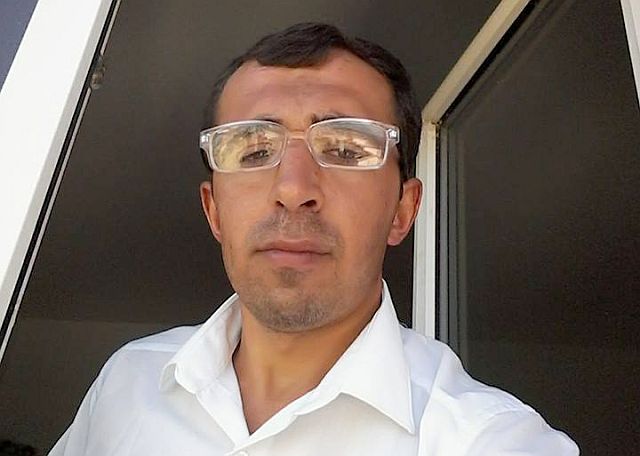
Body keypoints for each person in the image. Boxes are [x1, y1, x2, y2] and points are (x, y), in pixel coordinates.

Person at [49, 22, 578, 455]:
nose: (293, 189)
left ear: (403, 210)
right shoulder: (126, 385)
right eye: (255, 150)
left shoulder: (488, 441)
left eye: (346, 149)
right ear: (214, 211)